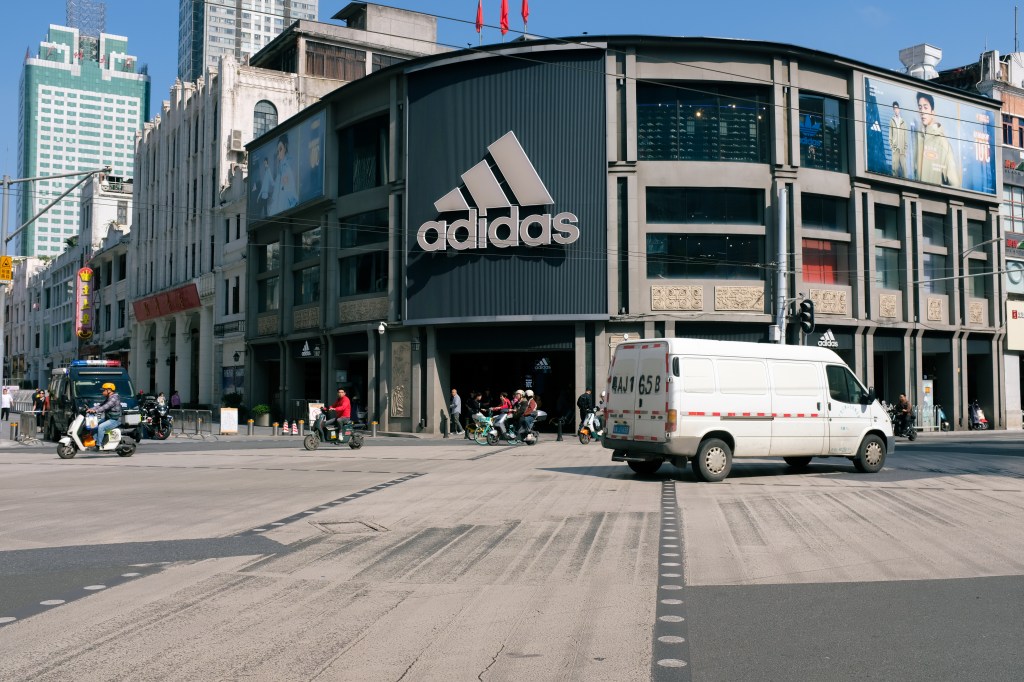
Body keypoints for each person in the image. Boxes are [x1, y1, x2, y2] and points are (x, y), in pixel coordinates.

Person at [914, 92, 961, 187]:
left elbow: (954, 183)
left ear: (932, 112)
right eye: (920, 108)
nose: (922, 111)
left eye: (925, 108)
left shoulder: (942, 143)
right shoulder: (918, 137)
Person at [88, 382, 123, 449]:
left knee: (101, 427)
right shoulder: (109, 397)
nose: (103, 392)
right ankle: (95, 441)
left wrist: (96, 411)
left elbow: (106, 406)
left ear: (109, 390)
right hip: (109, 418)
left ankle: (99, 445)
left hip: (115, 420)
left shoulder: (114, 398)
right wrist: (92, 409)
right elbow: (101, 405)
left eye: (104, 390)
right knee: (94, 425)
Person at [889, 101, 908, 178]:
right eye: (894, 109)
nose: (896, 110)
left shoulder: (903, 121)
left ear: (899, 109)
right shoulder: (892, 121)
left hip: (902, 149)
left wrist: (905, 148)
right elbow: (890, 134)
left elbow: (905, 135)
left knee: (904, 170)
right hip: (895, 149)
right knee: (895, 169)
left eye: (897, 108)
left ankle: (906, 183)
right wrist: (892, 147)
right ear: (893, 110)